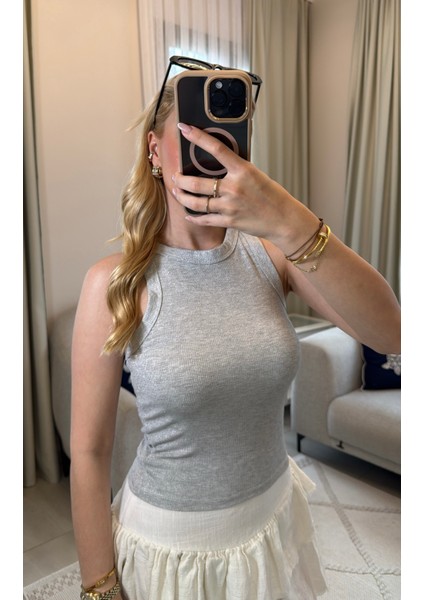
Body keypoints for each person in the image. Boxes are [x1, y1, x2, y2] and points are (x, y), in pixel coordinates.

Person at [70, 65, 401, 600]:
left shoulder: (274, 253)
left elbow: (390, 333)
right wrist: (100, 588)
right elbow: (89, 450)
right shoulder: (113, 283)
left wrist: (287, 218)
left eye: (225, 140)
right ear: (155, 151)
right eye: (194, 136)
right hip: (172, 550)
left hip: (272, 522)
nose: (212, 153)